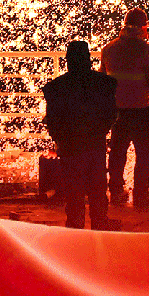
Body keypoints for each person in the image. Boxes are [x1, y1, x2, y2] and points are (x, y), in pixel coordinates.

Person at [43, 41, 118, 229]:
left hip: (70, 145)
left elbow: (52, 120)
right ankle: (100, 223)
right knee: (97, 186)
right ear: (88, 59)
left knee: (73, 189)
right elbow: (112, 114)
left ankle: (75, 228)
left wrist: (59, 139)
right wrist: (101, 130)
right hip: (95, 142)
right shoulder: (104, 84)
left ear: (68, 61)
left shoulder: (56, 87)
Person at [100, 8, 149, 210]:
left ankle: (116, 192)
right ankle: (140, 195)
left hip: (117, 111)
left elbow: (103, 81)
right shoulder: (144, 49)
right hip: (140, 109)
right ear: (143, 27)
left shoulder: (108, 49)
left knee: (117, 153)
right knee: (144, 154)